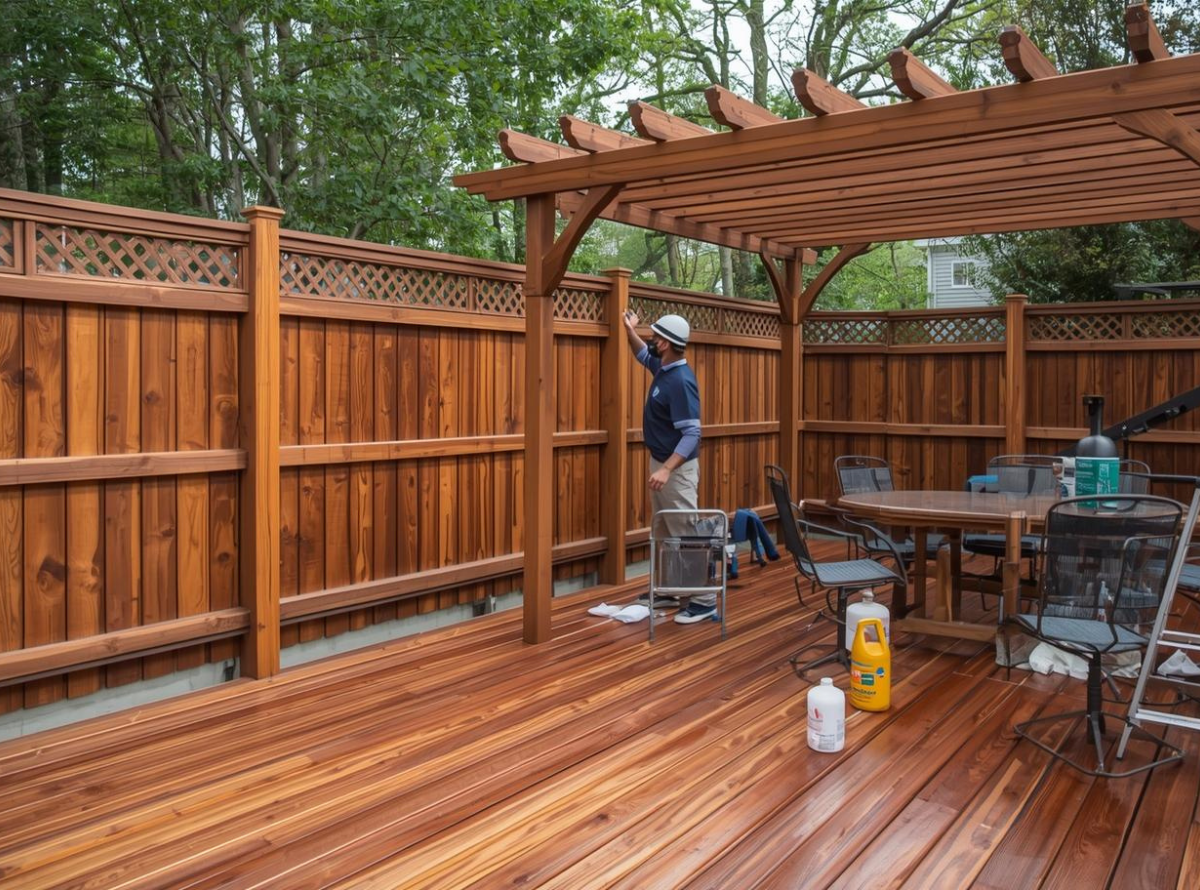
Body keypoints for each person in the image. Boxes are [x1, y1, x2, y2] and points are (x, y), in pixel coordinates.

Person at [622, 309, 713, 624]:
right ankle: (670, 590)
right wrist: (628, 330)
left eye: (654, 335)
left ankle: (704, 601)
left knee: (686, 531)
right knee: (663, 531)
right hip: (662, 464)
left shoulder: (680, 381)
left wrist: (666, 469)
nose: (650, 338)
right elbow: (640, 355)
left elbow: (692, 433)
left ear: (665, 343)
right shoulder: (664, 367)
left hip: (676, 471)